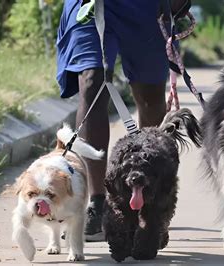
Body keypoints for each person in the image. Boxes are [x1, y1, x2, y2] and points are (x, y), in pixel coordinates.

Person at [56, 0, 171, 241]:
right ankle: (98, 201)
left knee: (151, 96)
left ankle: (147, 203)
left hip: (146, 7)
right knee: (91, 81)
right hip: (91, 4)